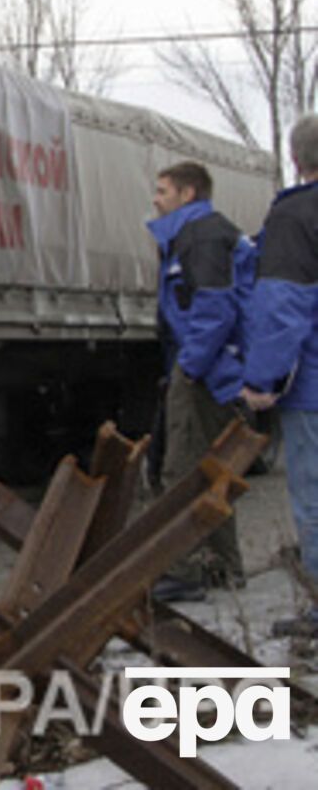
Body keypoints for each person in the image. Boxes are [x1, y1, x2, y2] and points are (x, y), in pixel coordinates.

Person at [147, 160, 253, 602]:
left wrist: (189, 367)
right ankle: (225, 567)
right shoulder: (198, 234)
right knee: (214, 469)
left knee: (182, 468)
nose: (156, 199)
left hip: (206, 369)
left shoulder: (201, 236)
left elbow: (214, 307)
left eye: (163, 191)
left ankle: (183, 570)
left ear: (188, 194)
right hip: (216, 368)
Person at [241, 114, 318, 637]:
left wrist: (262, 381)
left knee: (313, 497)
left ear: (296, 158)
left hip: (313, 389)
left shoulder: (295, 218)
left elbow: (282, 306)